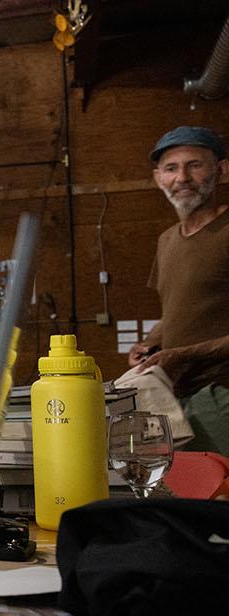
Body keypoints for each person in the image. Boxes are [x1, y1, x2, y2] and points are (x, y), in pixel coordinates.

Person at [130, 126, 229, 456]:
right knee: (188, 502)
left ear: (222, 170)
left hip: (222, 394)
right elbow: (175, 310)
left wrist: (184, 354)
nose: (182, 177)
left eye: (195, 165)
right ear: (159, 178)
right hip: (175, 397)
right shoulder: (167, 240)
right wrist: (151, 342)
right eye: (171, 168)